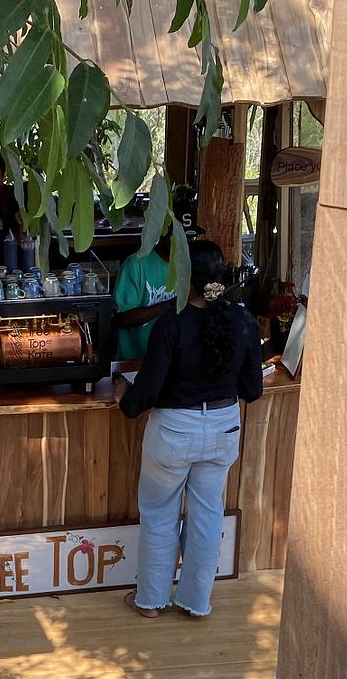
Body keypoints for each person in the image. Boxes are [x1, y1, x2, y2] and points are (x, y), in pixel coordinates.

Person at [115, 240, 263, 619]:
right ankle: (197, 603)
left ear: (183, 277)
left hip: (174, 433)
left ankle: (150, 601)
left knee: (160, 513)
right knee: (207, 515)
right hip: (224, 429)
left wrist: (124, 397)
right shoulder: (244, 322)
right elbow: (252, 390)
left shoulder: (172, 323)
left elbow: (147, 390)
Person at [112, 231, 176, 360]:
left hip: (171, 359)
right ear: (164, 236)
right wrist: (170, 304)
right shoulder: (135, 263)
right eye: (181, 238)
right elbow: (124, 318)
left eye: (191, 238)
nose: (187, 244)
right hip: (135, 360)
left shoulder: (187, 264)